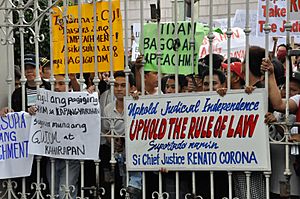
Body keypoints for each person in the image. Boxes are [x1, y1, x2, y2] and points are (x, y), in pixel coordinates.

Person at [28, 74, 80, 199]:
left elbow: (81, 96)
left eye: (61, 84)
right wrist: (32, 112)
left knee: (65, 194)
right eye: (54, 84)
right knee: (54, 194)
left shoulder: (77, 101)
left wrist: (74, 80)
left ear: (68, 86)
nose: (57, 87)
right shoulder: (45, 102)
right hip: (51, 157)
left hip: (70, 158)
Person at [101, 71, 138, 199]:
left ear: (132, 88)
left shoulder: (138, 105)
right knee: (115, 190)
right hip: (114, 156)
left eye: (123, 85)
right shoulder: (108, 109)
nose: (119, 89)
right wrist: (112, 139)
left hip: (134, 156)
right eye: (116, 85)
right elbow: (105, 131)